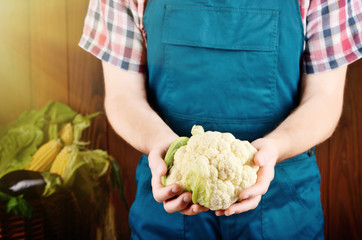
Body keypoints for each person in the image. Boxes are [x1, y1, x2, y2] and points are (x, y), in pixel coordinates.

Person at [79, 0, 362, 239]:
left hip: (284, 206)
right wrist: (166, 150)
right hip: (167, 200)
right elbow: (122, 95)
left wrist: (275, 149)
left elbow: (324, 98)